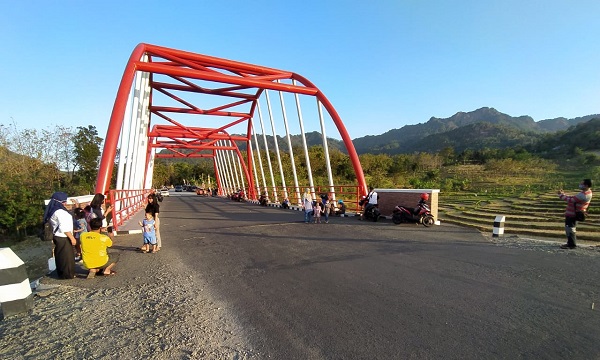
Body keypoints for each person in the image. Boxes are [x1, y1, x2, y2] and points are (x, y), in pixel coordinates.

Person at [43, 192, 77, 279]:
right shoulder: (61, 212)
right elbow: (64, 227)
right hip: (64, 237)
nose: (65, 203)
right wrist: (72, 238)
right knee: (67, 257)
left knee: (60, 256)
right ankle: (68, 274)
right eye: (64, 202)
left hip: (57, 236)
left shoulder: (53, 210)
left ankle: (61, 273)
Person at [558, 179, 593, 249]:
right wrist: (564, 194)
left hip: (573, 214)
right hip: (575, 213)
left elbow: (570, 200)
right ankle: (570, 243)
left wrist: (561, 195)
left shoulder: (583, 195)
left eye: (582, 183)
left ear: (586, 185)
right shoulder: (587, 192)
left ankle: (571, 244)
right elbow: (573, 198)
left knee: (570, 229)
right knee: (571, 228)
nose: (580, 184)